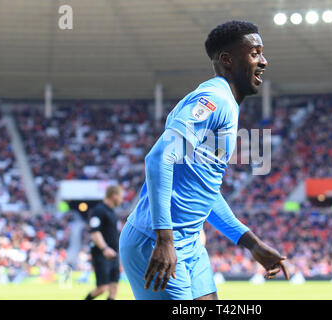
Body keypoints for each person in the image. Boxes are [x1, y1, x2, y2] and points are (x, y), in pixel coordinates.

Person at [119, 20, 289, 301]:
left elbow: (204, 192)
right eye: (255, 53)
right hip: (155, 241)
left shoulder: (226, 104)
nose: (264, 62)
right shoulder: (214, 99)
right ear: (227, 60)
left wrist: (252, 243)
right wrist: (164, 239)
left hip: (188, 244)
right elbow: (158, 158)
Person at [85, 185, 123, 300]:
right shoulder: (99, 210)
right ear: (114, 196)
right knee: (102, 288)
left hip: (114, 254)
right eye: (120, 197)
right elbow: (94, 232)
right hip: (101, 253)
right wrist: (105, 248)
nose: (121, 200)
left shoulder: (112, 212)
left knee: (114, 287)